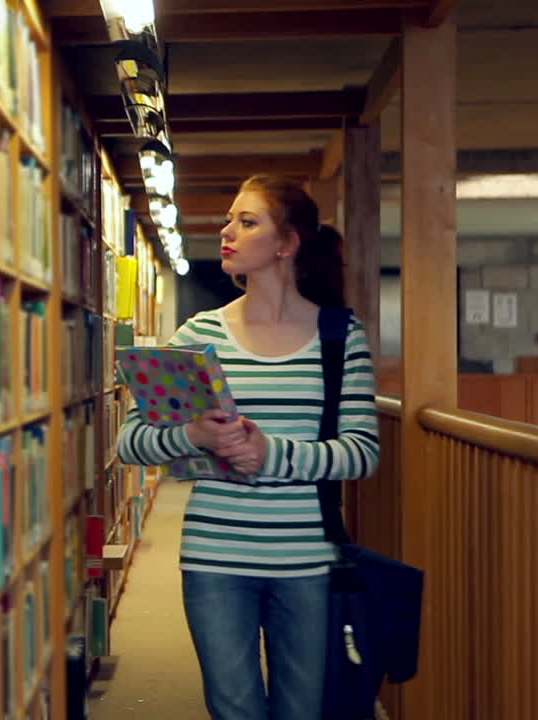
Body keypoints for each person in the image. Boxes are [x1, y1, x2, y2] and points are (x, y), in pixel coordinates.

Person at [116, 175, 380, 720]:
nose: (226, 230)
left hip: (307, 558)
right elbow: (130, 441)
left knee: (301, 709)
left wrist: (273, 454)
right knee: (233, 708)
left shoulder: (339, 334)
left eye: (247, 221)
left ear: (286, 244)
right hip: (214, 555)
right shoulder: (198, 335)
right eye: (229, 219)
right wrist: (194, 436)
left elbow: (361, 450)